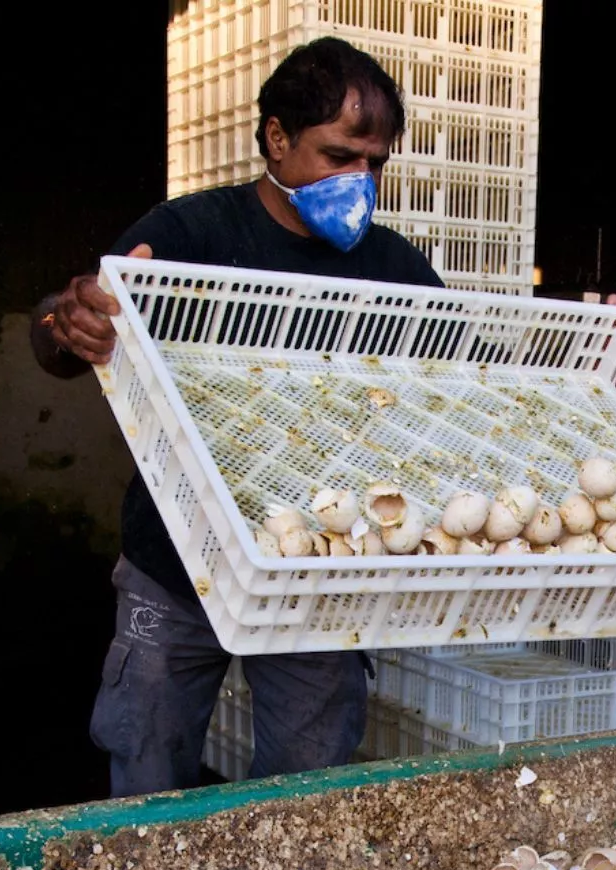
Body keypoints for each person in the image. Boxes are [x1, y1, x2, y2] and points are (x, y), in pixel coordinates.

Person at [31, 37, 443, 797]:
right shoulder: (193, 233)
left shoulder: (393, 268)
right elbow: (68, 328)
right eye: (338, 155)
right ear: (278, 139)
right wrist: (68, 319)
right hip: (175, 561)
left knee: (302, 789)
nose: (358, 182)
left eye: (374, 165)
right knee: (148, 769)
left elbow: (475, 382)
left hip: (314, 578)